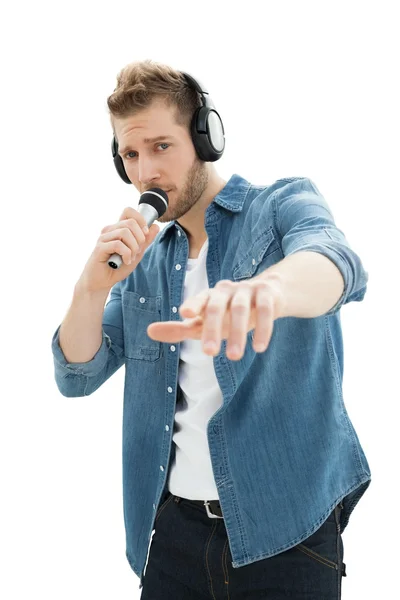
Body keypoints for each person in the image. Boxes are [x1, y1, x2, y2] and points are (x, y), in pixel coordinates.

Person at [51, 59, 371, 599]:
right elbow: (77, 374)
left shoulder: (280, 205)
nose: (145, 172)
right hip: (173, 541)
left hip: (286, 535)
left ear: (205, 135)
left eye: (160, 146)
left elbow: (335, 261)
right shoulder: (146, 265)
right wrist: (90, 289)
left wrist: (267, 291)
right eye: (130, 154)